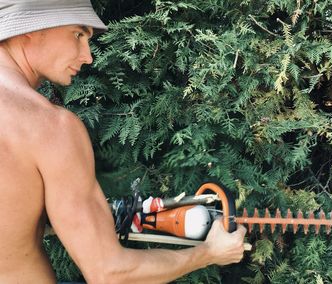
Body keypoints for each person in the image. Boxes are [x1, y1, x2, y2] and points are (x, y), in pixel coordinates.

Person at [0, 1, 246, 283]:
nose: (88, 56)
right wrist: (208, 253)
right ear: (29, 29)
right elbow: (109, 272)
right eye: (78, 34)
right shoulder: (48, 127)